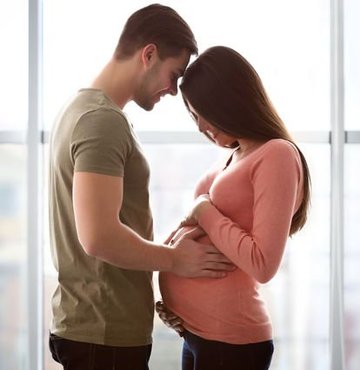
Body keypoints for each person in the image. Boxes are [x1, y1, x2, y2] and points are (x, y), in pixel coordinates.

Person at [48, 6, 234, 370]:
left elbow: (111, 226)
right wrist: (177, 260)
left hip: (97, 330)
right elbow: (98, 237)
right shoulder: (101, 121)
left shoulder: (81, 110)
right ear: (148, 54)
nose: (174, 89)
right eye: (174, 74)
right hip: (103, 335)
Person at [157, 46, 311, 370]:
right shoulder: (233, 155)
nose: (199, 126)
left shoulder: (277, 154)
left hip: (231, 341)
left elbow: (262, 263)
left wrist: (203, 210)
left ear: (228, 102)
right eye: (192, 115)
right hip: (196, 333)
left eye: (202, 113)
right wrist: (173, 288)